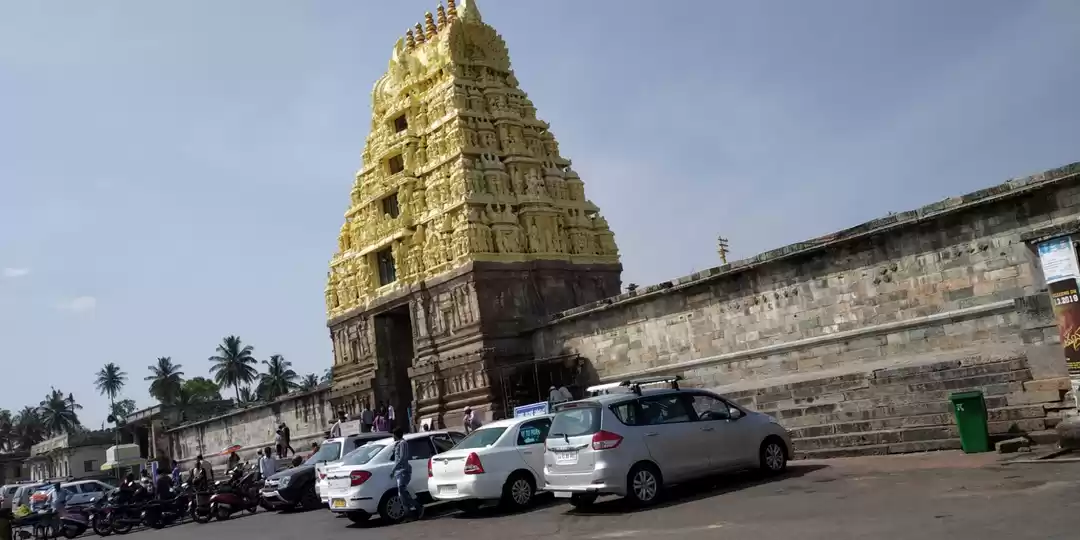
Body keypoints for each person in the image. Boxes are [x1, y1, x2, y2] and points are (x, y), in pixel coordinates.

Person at [389, 428, 422, 521]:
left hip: (403, 470)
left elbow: (402, 458)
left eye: (393, 435)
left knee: (402, 491)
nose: (393, 437)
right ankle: (408, 514)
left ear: (396, 435)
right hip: (398, 471)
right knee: (401, 494)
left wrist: (393, 469)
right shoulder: (397, 444)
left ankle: (417, 507)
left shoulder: (403, 443)